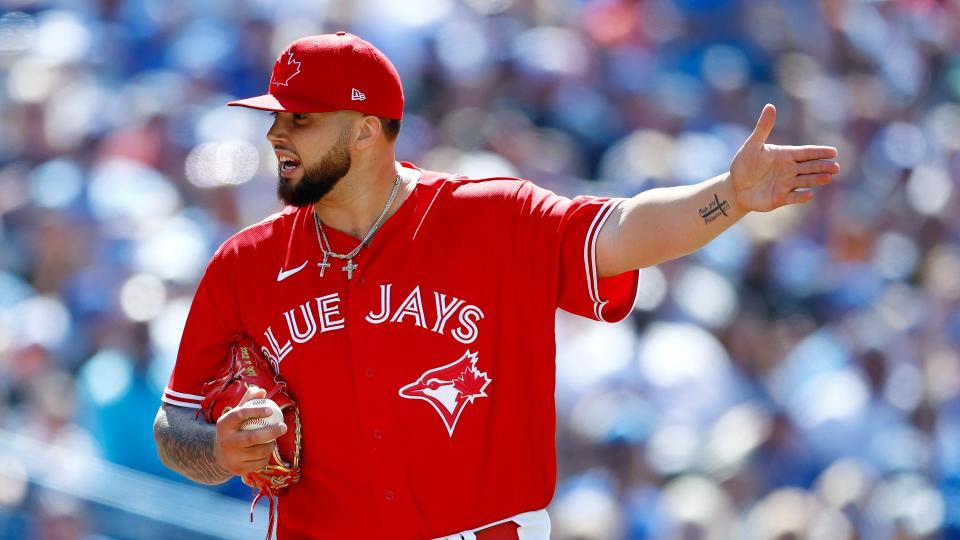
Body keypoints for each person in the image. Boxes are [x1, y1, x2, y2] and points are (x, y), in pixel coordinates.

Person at [153, 32, 839, 539]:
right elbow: (175, 421)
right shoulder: (242, 265)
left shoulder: (490, 217)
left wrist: (729, 195)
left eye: (300, 117)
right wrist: (214, 451)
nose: (277, 134)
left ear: (366, 132)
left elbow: (622, 231)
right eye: (276, 116)